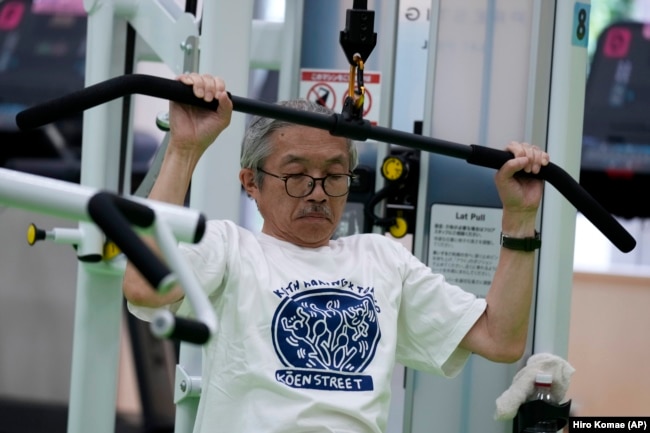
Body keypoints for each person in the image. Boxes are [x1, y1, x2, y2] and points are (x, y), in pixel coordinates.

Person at [123, 73, 550, 433]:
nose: (317, 194)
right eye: (296, 176)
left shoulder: (381, 258)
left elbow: (501, 338)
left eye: (333, 176)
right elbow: (143, 287)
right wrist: (184, 149)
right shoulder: (230, 248)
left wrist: (519, 216)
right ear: (251, 183)